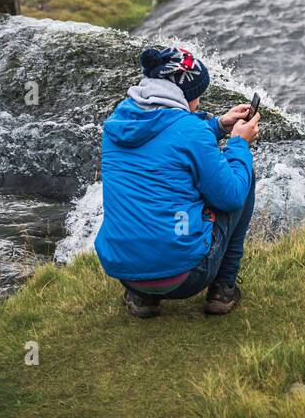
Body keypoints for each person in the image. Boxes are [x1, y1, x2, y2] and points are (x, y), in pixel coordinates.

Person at [94, 44, 259, 319]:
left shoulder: (117, 123)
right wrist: (239, 143)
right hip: (187, 276)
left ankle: (142, 296)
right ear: (185, 94)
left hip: (124, 270)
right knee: (241, 174)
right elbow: (230, 196)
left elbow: (165, 138)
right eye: (197, 97)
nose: (197, 105)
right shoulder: (190, 131)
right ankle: (223, 289)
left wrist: (218, 125)